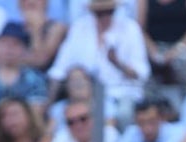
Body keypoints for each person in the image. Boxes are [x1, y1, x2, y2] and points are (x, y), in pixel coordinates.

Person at [47, 0, 150, 129]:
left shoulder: (130, 28)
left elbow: (142, 74)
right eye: (100, 13)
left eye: (109, 12)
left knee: (124, 114)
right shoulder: (80, 27)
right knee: (60, 113)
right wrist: (48, 104)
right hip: (86, 96)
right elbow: (59, 70)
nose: (105, 17)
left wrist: (118, 63)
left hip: (121, 93)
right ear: (93, 12)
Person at [0, 21, 50, 137]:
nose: (9, 49)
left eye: (15, 44)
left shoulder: (34, 79)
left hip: (24, 140)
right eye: (5, 43)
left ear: (24, 49)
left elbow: (35, 117)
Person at [137, 0, 186, 100]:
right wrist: (152, 50)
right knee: (141, 60)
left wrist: (176, 50)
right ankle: (149, 104)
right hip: (156, 45)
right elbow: (139, 28)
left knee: (181, 61)